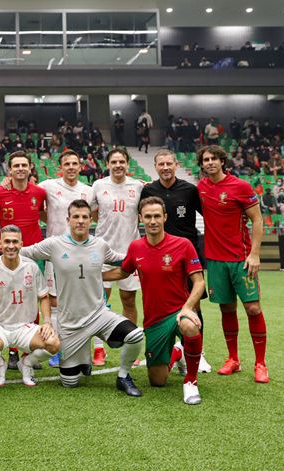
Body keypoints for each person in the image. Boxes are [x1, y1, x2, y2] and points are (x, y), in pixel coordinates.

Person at [11, 200, 145, 396]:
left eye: (84, 217)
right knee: (70, 382)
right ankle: (83, 360)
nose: (80, 221)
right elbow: (23, 251)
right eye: (76, 217)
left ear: (91, 220)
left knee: (135, 335)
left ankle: (124, 376)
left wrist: (144, 254)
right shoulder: (54, 244)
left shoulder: (100, 245)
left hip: (99, 315)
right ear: (68, 220)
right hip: (70, 323)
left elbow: (122, 259)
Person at [104, 197, 206, 405]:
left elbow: (199, 282)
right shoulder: (136, 247)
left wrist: (187, 308)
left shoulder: (183, 245)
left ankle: (191, 382)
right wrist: (93, 275)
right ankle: (178, 352)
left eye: (157, 216)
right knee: (157, 381)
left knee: (190, 326)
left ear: (165, 217)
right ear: (140, 219)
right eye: (148, 216)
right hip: (154, 320)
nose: (153, 221)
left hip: (179, 311)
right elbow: (122, 272)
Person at [196, 145, 268, 383]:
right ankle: (233, 359)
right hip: (215, 261)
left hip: (241, 259)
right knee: (226, 309)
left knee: (253, 309)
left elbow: (257, 220)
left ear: (222, 161)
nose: (210, 163)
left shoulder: (240, 186)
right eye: (205, 160)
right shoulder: (202, 188)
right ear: (202, 164)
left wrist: (255, 253)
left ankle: (260, 363)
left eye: (214, 158)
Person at [140, 148, 213, 373]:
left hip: (186, 254)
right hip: (159, 256)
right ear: (155, 167)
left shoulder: (190, 190)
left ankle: (198, 354)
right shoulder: (149, 190)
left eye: (169, 164)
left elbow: (209, 217)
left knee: (195, 302)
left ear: (176, 165)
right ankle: (167, 350)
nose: (165, 168)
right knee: (161, 303)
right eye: (161, 164)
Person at [0, 225, 60, 387]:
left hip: (25, 327)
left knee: (53, 343)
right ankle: (0, 365)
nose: (11, 246)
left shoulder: (32, 267)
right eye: (7, 241)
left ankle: (26, 364)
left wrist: (47, 322)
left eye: (15, 242)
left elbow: (44, 297)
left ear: (21, 244)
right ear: (0, 244)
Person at [0, 151, 48, 369]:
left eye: (24, 165)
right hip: (9, 252)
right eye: (16, 165)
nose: (20, 169)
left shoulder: (40, 193)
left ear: (31, 168)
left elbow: (43, 215)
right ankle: (11, 351)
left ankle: (27, 349)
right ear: (9, 169)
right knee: (8, 299)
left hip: (34, 254)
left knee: (33, 302)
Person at [39, 150, 97, 364]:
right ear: (60, 167)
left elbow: (97, 214)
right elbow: (37, 206)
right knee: (55, 301)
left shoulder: (89, 191)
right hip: (57, 253)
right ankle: (55, 346)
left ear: (81, 166)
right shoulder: (48, 186)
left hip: (82, 254)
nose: (71, 167)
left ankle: (82, 348)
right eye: (67, 164)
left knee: (81, 302)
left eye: (75, 163)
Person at [91, 149, 142, 328]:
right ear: (107, 165)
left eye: (122, 162)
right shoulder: (98, 185)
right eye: (114, 162)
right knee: (99, 301)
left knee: (128, 300)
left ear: (127, 164)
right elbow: (90, 212)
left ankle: (131, 342)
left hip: (129, 252)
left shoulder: (138, 186)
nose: (118, 165)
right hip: (102, 252)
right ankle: (99, 348)